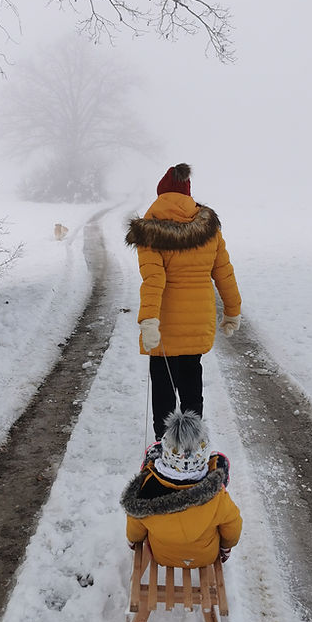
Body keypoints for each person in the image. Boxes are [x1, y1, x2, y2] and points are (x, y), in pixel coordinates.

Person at [125, 162, 242, 438]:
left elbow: (153, 280)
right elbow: (224, 272)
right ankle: (193, 443)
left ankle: (164, 444)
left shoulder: (150, 232)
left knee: (163, 389)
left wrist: (149, 320)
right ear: (188, 196)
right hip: (198, 321)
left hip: (165, 326)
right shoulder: (209, 228)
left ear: (160, 196)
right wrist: (232, 311)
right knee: (192, 383)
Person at [120, 409, 242, 568]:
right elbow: (233, 526)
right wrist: (226, 547)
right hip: (205, 556)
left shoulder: (145, 491)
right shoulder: (217, 496)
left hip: (162, 555)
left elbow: (135, 529)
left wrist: (133, 541)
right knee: (219, 465)